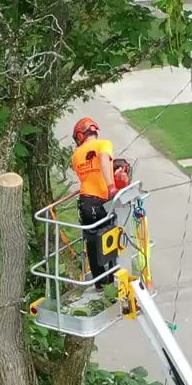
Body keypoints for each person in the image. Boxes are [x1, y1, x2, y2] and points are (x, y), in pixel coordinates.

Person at [71, 117, 117, 281]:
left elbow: (90, 174)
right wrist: (111, 185)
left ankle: (99, 281)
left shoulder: (76, 155)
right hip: (101, 200)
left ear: (80, 136)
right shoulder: (103, 144)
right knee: (108, 238)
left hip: (85, 201)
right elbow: (104, 161)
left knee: (91, 240)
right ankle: (110, 279)